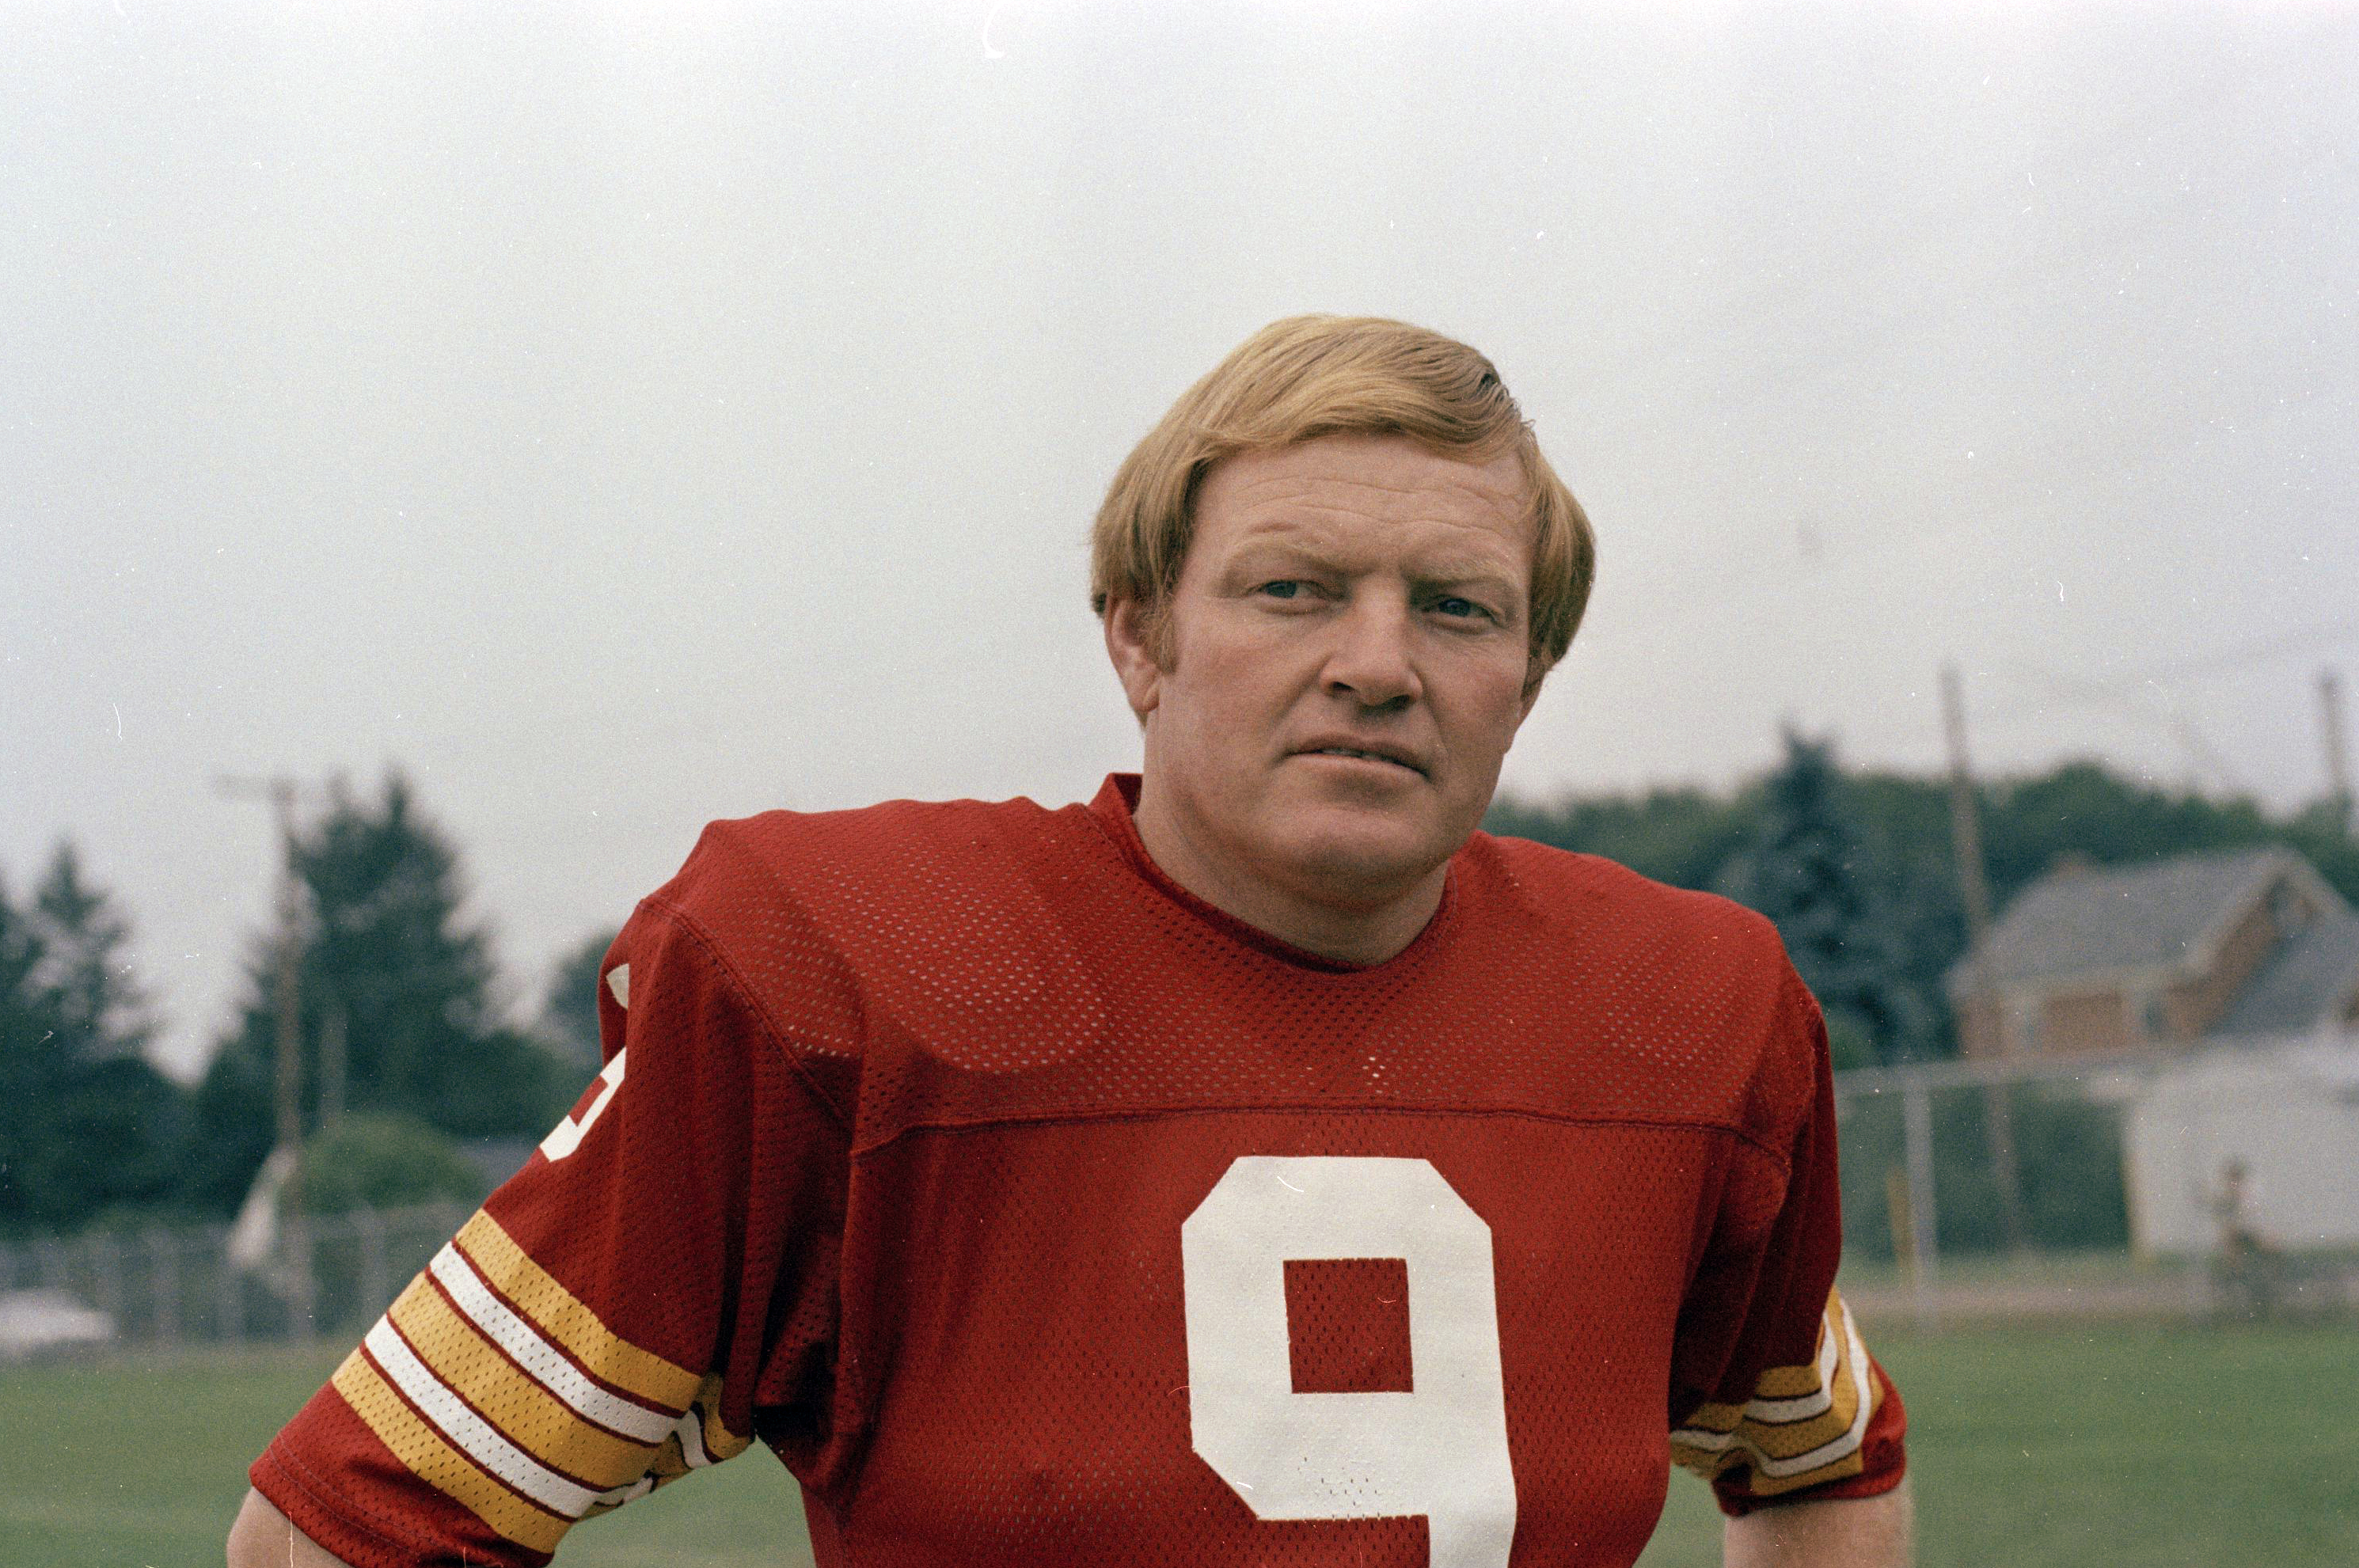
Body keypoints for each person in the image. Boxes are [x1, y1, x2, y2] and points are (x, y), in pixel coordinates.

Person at [230, 315, 1909, 1567]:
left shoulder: (1682, 1013)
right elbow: (341, 1527)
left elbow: (1820, 1456)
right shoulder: (845, 975)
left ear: (1525, 680)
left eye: (1456, 607)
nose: (1377, 663)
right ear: (1138, 639)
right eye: (1292, 588)